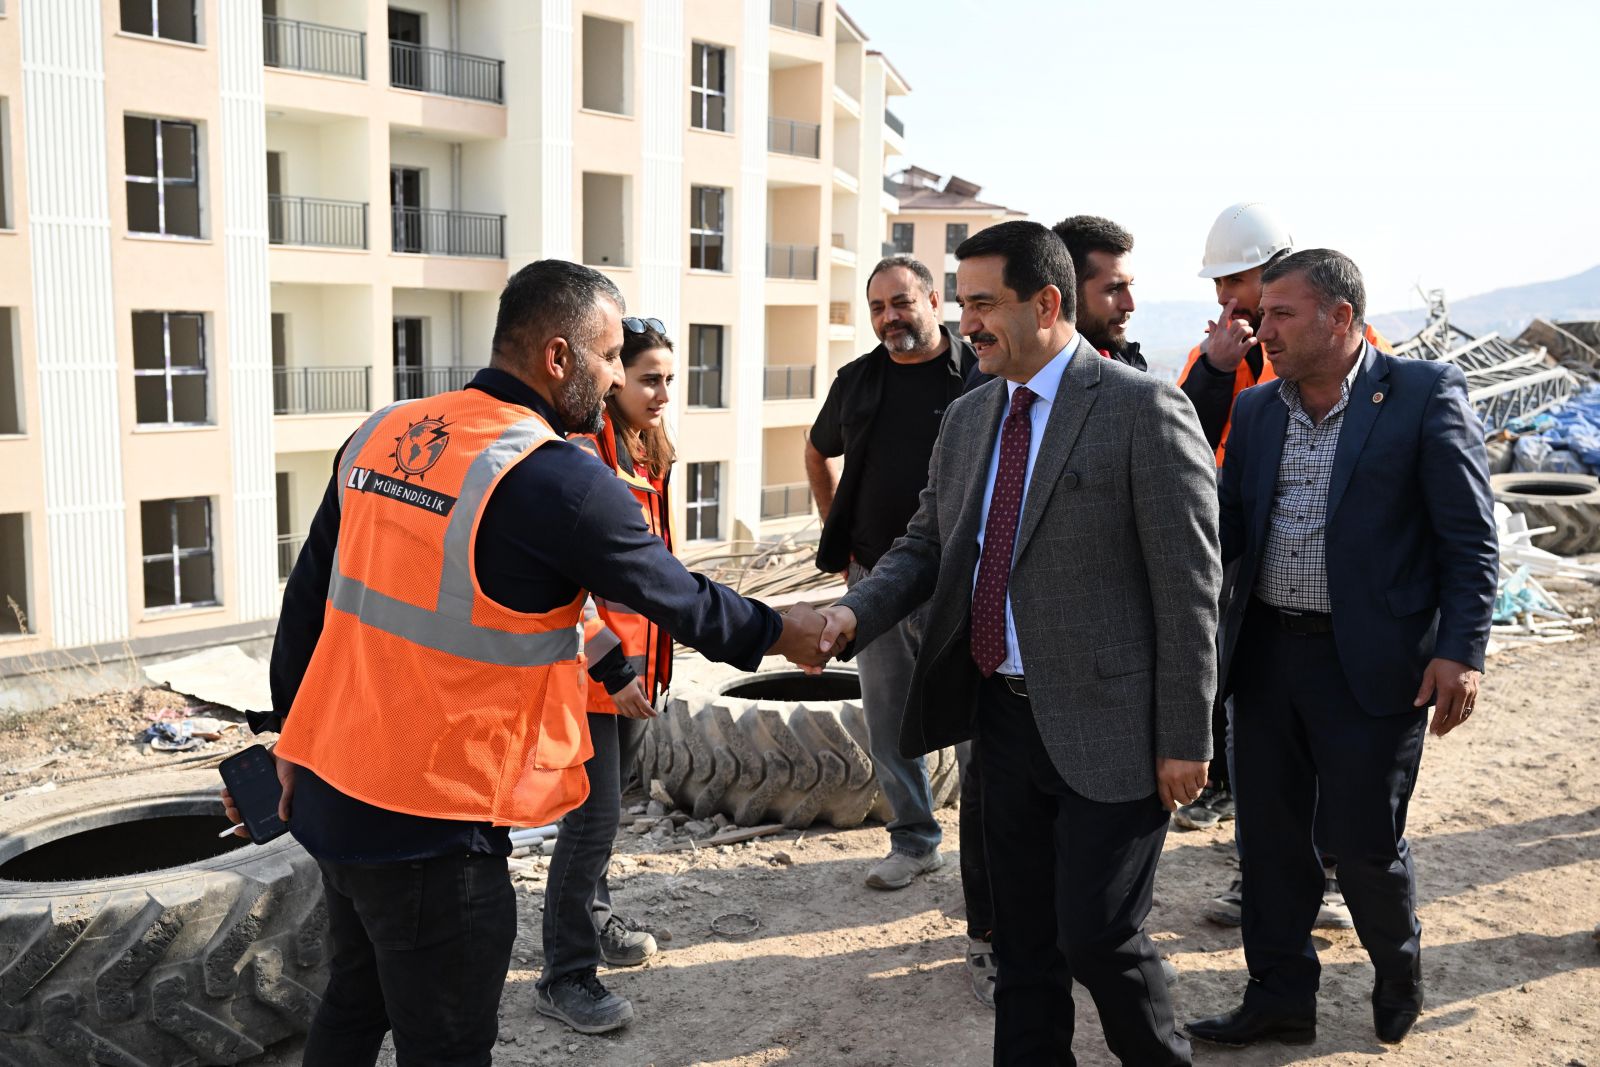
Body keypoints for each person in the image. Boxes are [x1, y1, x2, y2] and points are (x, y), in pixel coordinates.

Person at [226, 260, 825, 1064]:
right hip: (433, 826)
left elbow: (307, 603)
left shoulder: (383, 431)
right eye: (608, 356)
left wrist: (289, 740)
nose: (616, 376)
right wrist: (790, 630)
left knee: (355, 999)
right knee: (446, 1044)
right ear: (557, 356)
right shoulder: (560, 480)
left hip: (334, 792)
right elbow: (680, 599)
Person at [813, 221, 1220, 1065]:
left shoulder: (1142, 409)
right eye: (963, 304)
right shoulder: (969, 418)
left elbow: (1189, 590)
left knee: (1099, 937)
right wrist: (851, 615)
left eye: (984, 304)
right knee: (1022, 945)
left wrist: (1186, 735)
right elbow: (925, 545)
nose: (967, 324)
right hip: (1001, 722)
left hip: (1115, 730)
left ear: (1045, 303)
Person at [1186, 249, 1497, 1048]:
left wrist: (1461, 650)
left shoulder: (1423, 393)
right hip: (1265, 658)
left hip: (1373, 662)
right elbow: (1225, 527)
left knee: (1362, 844)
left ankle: (1398, 965)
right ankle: (1280, 997)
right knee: (1269, 843)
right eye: (1262, 314)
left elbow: (1469, 538)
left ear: (1340, 317)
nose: (1262, 330)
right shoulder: (1257, 409)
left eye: (1280, 314)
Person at [1176, 202, 1392, 934]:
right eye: (1219, 285)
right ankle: (1260, 875)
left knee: (1334, 743)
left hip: (1342, 586)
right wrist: (1217, 370)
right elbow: (1181, 439)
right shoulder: (1219, 356)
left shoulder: (1363, 354)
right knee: (1260, 740)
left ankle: (1328, 875)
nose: (1226, 299)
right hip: (1250, 567)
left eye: (1234, 281)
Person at [805, 255, 998, 1006]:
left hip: (962, 581)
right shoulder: (857, 380)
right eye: (878, 306)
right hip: (875, 581)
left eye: (902, 302)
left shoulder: (976, 374)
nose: (890, 317)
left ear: (933, 301)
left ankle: (990, 857)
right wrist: (839, 533)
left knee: (979, 724)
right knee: (888, 719)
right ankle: (915, 839)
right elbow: (818, 449)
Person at [543, 316, 679, 1031]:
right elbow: (571, 586)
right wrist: (615, 666)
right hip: (593, 672)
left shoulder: (648, 452)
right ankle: (564, 975)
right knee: (590, 821)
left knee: (607, 816)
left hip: (638, 670)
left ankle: (594, 920)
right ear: (615, 376)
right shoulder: (579, 455)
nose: (662, 394)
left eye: (669, 380)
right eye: (649, 379)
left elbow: (656, 570)